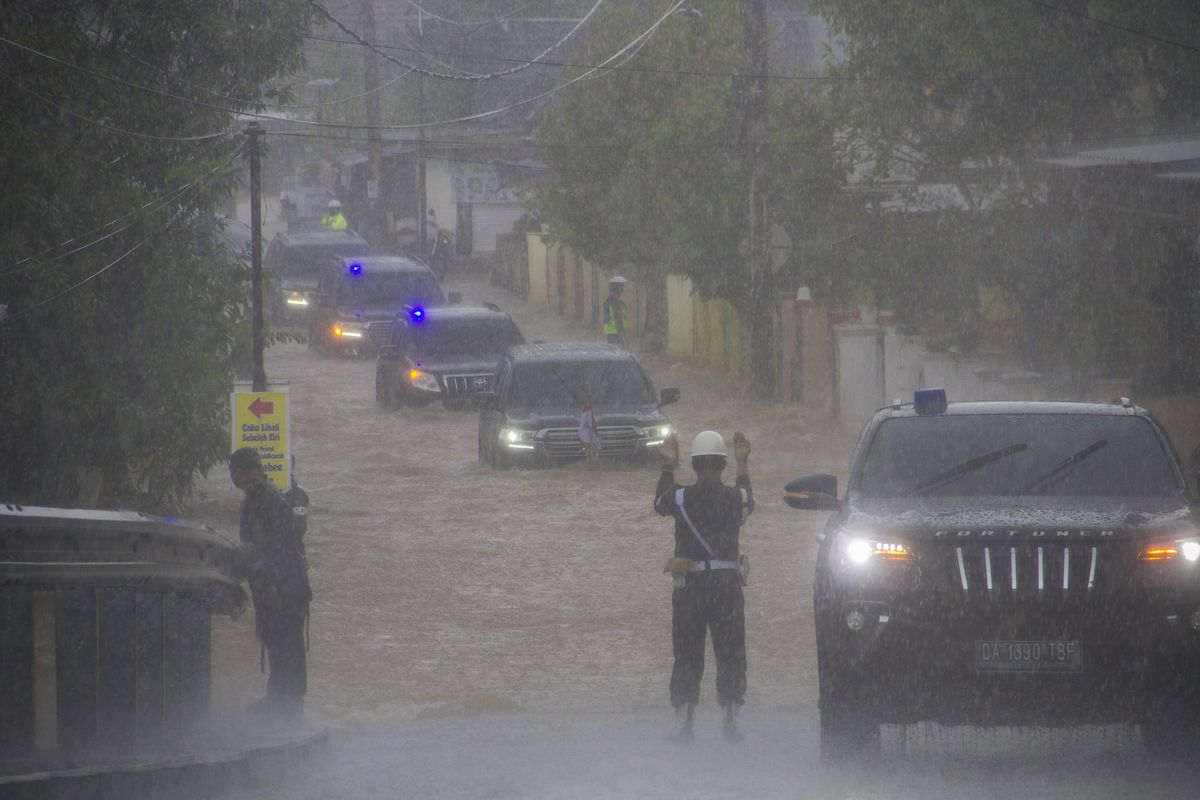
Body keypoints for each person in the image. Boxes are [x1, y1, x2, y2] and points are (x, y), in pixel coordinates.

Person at [654, 430, 753, 743]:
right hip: (726, 587)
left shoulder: (680, 498)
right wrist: (744, 464)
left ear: (694, 466)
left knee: (686, 654)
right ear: (722, 466)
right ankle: (730, 723)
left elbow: (659, 503)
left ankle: (683, 724)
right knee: (731, 653)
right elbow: (748, 504)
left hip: (690, 589)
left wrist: (668, 465)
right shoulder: (734, 498)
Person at [229, 447, 312, 717]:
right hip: (282, 587)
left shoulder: (266, 501)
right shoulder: (262, 497)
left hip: (283, 589)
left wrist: (272, 585)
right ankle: (281, 701)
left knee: (286, 646)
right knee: (282, 646)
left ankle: (287, 706)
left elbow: (274, 549)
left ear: (240, 473)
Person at [602, 276, 627, 345]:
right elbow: (618, 318)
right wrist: (621, 333)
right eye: (622, 287)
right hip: (616, 332)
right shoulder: (616, 303)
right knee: (618, 352)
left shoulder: (608, 302)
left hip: (610, 332)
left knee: (613, 351)